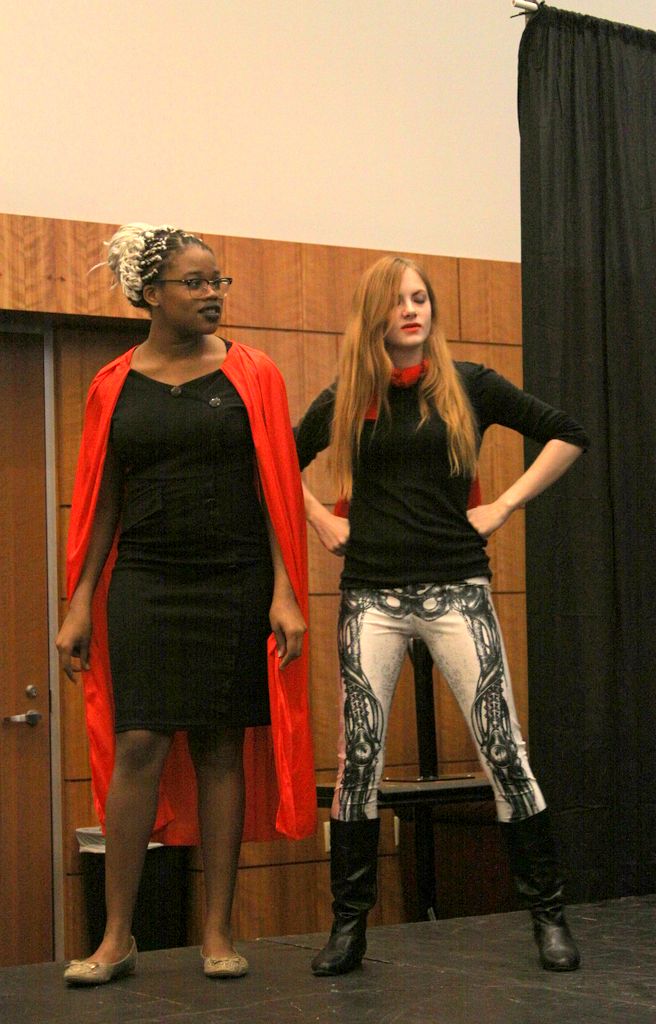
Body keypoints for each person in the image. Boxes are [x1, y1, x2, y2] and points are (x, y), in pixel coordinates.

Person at [296, 255, 588, 976]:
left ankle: (548, 917)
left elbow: (566, 432)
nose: (412, 310)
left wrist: (505, 503)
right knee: (358, 761)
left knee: (504, 751)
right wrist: (319, 518)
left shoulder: (469, 384)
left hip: (458, 587)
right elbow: (270, 459)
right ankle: (348, 928)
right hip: (371, 594)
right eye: (398, 300)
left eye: (420, 298)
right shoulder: (348, 395)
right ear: (374, 313)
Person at [57, 223, 316, 985]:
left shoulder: (252, 373)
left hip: (234, 577)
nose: (212, 294)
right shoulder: (112, 384)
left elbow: (274, 487)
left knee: (218, 746)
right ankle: (116, 937)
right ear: (149, 294)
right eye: (195, 283)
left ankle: (217, 929)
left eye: (217, 281)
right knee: (137, 743)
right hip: (144, 578)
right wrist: (79, 602)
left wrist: (285, 592)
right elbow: (101, 500)